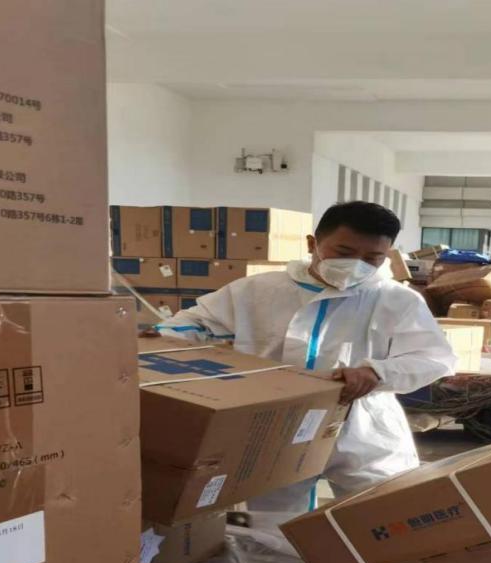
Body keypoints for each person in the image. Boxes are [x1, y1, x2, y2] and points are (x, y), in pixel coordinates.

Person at [157, 201, 456, 517]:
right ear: (313, 244)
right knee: (273, 520)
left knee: (382, 513)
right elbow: (193, 324)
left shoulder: (396, 299)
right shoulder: (258, 290)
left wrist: (376, 372)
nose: (356, 265)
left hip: (363, 426)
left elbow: (434, 357)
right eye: (344, 253)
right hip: (275, 423)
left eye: (372, 258)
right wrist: (159, 338)